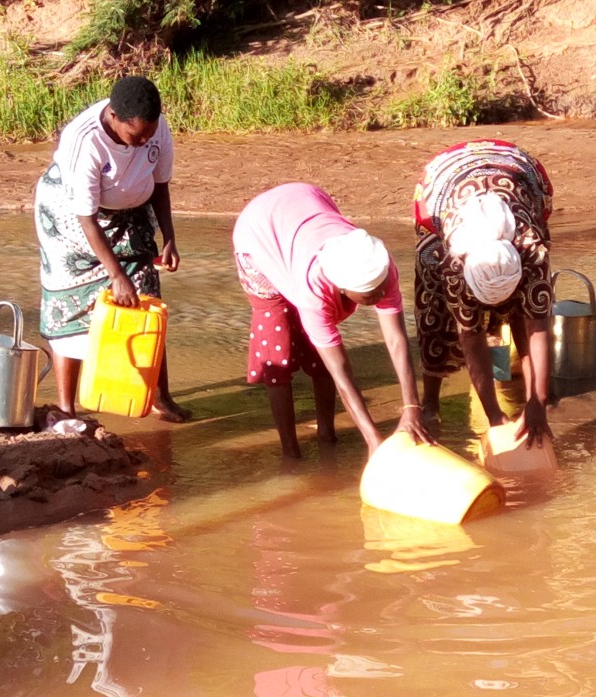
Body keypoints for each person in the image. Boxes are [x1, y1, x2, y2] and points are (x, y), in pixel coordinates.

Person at [231, 183, 436, 459]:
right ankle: (290, 452)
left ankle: (327, 435)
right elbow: (342, 373)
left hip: (305, 202)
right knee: (277, 350)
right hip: (260, 233)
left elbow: (396, 339)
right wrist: (373, 438)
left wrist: (411, 407)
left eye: (380, 289)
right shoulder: (314, 292)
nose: (379, 295)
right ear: (341, 288)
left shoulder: (377, 263)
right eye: (369, 295)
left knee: (319, 358)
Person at [34, 75, 190, 425]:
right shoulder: (83, 141)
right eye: (137, 136)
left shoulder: (155, 126)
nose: (145, 141)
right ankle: (67, 409)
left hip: (131, 208)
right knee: (68, 308)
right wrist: (117, 275)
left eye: (150, 133)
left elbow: (161, 184)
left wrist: (169, 237)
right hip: (72, 219)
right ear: (115, 117)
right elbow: (86, 219)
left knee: (148, 299)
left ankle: (159, 396)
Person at [412, 139, 555, 446]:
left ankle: (535, 399)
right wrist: (493, 416)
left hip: (515, 175)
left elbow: (539, 325)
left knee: (523, 313)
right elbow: (471, 336)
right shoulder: (454, 262)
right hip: (444, 184)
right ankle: (430, 404)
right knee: (433, 312)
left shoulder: (532, 251)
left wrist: (538, 403)